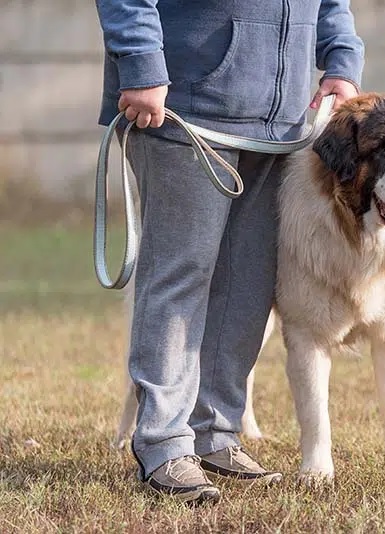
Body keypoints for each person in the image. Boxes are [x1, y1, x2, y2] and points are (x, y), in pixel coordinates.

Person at [95, 0, 364, 505]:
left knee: (249, 278)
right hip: (183, 108)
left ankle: (214, 431)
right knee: (181, 275)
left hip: (280, 123)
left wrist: (341, 57)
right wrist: (141, 63)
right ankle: (163, 444)